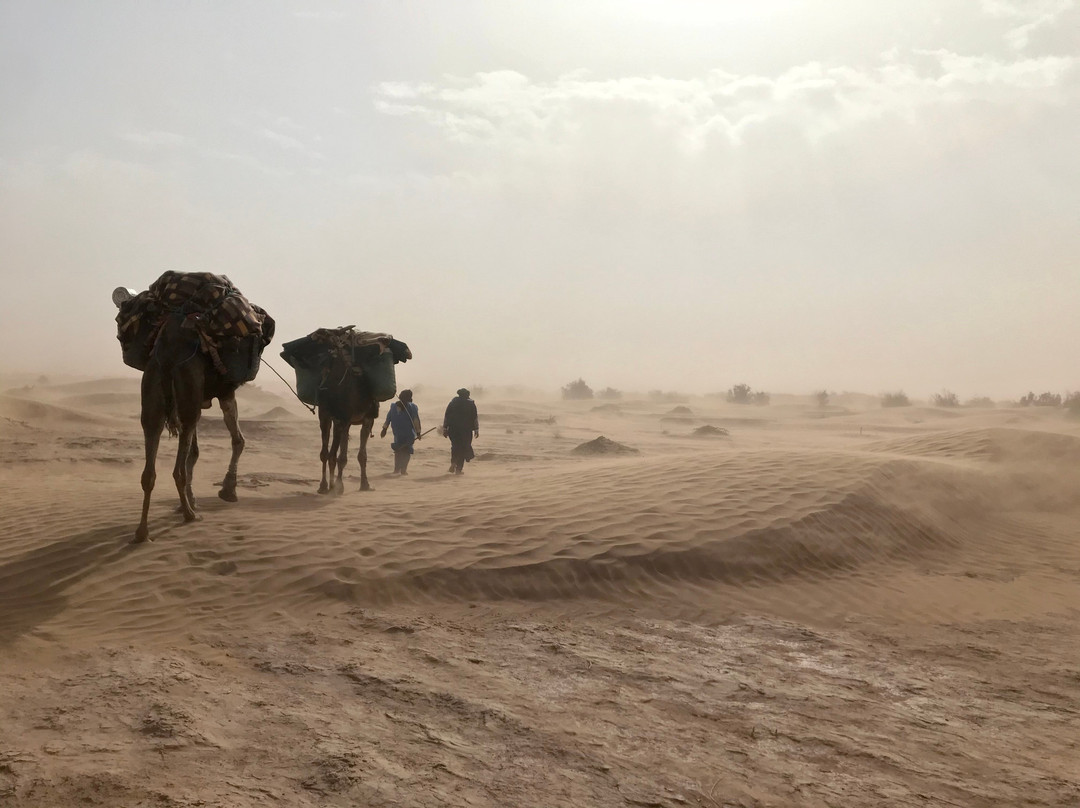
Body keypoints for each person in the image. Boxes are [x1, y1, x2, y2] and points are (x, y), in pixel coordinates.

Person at [380, 389, 421, 475]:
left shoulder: (394, 406)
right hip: (408, 433)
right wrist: (418, 432)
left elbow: (388, 418)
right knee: (406, 450)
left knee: (398, 450)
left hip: (397, 432)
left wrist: (384, 429)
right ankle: (403, 470)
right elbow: (416, 420)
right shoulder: (412, 407)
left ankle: (397, 469)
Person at [443, 388, 479, 474]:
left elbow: (447, 416)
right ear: (467, 395)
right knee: (463, 448)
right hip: (466, 430)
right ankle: (459, 469)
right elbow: (475, 418)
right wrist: (476, 429)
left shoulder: (452, 403)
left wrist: (445, 428)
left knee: (455, 446)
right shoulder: (471, 404)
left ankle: (453, 463)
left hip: (453, 429)